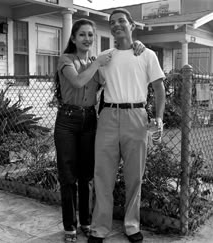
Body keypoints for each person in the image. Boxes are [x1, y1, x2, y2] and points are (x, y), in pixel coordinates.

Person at [54, 18, 145, 243]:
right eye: (82, 35)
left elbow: (118, 73)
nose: (87, 39)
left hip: (89, 121)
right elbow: (77, 82)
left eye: (90, 35)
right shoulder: (67, 60)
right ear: (73, 38)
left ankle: (86, 222)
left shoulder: (99, 62)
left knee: (87, 175)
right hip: (67, 120)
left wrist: (136, 46)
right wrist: (96, 63)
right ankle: (70, 226)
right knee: (68, 176)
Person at [88, 8, 166, 243]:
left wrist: (159, 119)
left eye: (122, 21)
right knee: (102, 175)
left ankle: (131, 225)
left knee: (134, 176)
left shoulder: (146, 55)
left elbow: (159, 89)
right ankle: (99, 228)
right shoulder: (104, 56)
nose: (116, 25)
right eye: (112, 22)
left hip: (136, 116)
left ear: (132, 25)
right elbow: (94, 84)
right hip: (108, 117)